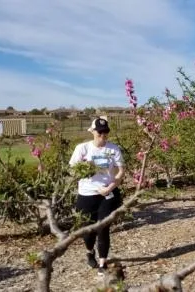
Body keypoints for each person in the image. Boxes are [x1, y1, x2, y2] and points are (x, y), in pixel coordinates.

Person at [69, 117, 125, 276]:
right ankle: (89, 251)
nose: (103, 135)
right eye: (99, 132)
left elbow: (121, 171)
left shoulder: (113, 149)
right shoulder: (82, 149)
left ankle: (102, 263)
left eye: (105, 132)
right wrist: (85, 169)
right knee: (88, 231)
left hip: (108, 194)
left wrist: (111, 186)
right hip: (87, 194)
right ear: (92, 131)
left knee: (103, 228)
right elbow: (72, 170)